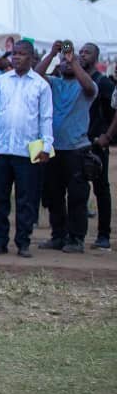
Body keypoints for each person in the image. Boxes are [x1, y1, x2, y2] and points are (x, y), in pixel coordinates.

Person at [0, 40, 53, 257]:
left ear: (32, 58)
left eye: (22, 54)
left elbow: (46, 118)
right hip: (2, 148)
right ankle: (0, 241)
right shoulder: (0, 82)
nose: (16, 57)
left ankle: (23, 242)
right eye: (14, 54)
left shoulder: (41, 85)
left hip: (28, 150)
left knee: (26, 198)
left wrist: (46, 146)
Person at [36, 40, 97, 253]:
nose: (66, 63)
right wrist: (53, 53)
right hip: (53, 148)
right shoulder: (53, 83)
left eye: (71, 61)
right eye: (64, 62)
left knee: (77, 197)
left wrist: (74, 61)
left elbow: (89, 86)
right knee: (53, 195)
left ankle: (76, 239)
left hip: (77, 149)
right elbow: (36, 76)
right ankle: (58, 236)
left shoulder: (85, 86)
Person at [80, 43, 113, 249]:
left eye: (87, 52)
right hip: (77, 142)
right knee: (76, 189)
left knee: (101, 190)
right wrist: (64, 50)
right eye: (81, 52)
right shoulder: (74, 78)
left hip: (96, 143)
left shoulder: (104, 83)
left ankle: (103, 235)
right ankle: (73, 234)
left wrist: (107, 136)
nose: (83, 55)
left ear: (96, 57)